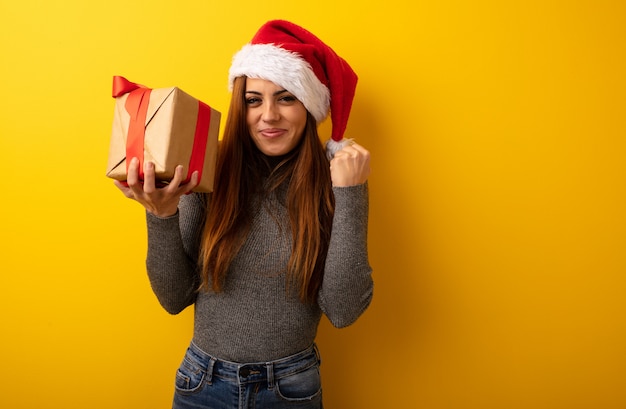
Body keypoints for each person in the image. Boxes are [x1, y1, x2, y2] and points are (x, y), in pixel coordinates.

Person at [114, 19, 373, 409]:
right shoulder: (210, 167)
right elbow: (173, 298)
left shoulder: (338, 180)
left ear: (309, 106)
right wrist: (162, 216)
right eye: (254, 100)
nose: (268, 115)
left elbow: (343, 309)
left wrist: (351, 195)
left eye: (286, 98)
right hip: (202, 384)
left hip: (292, 388)